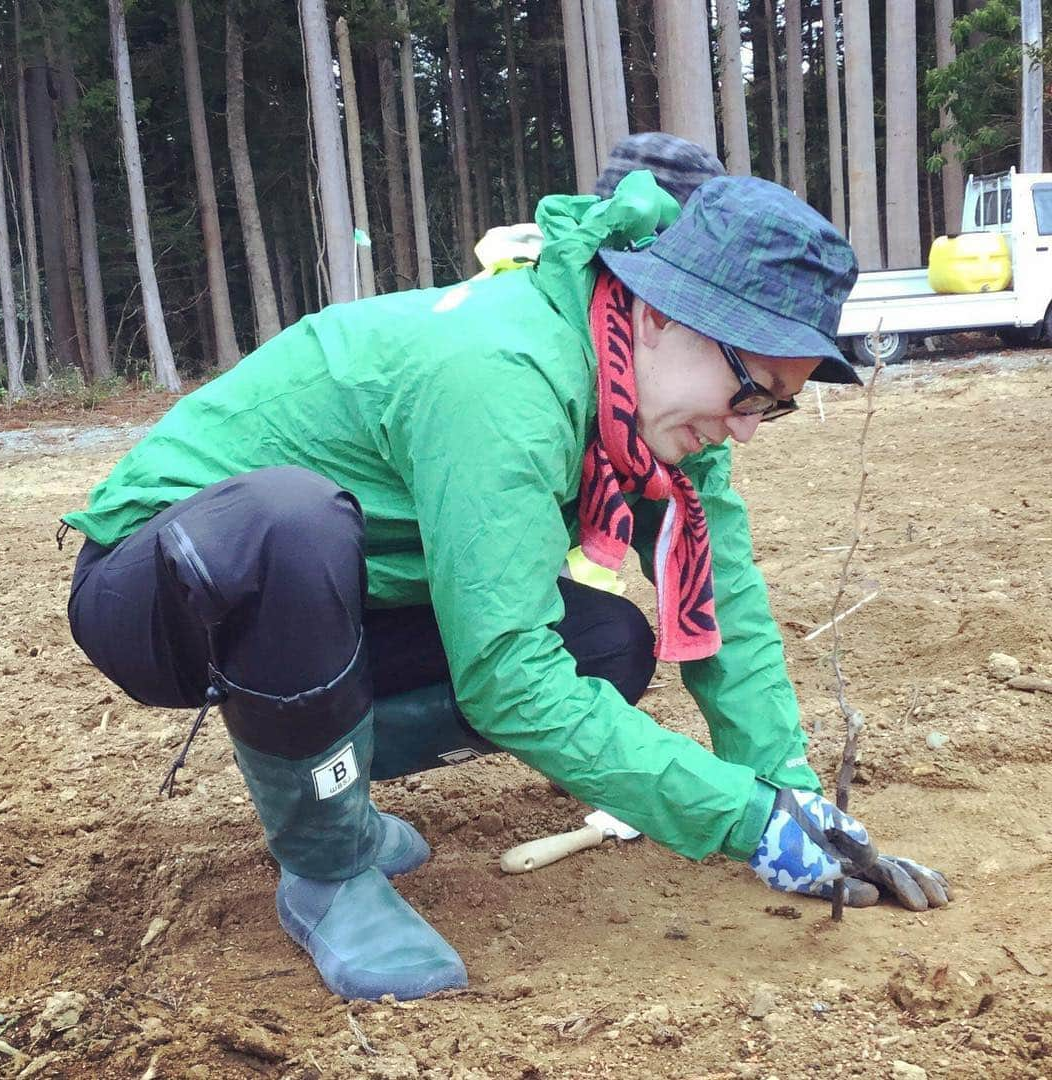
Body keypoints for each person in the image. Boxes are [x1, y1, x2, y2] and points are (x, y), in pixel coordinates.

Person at [62, 160, 951, 1004]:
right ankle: (327, 865)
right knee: (292, 525)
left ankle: (315, 771)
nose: (749, 429)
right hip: (168, 588)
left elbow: (724, 605)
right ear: (661, 314)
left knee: (606, 646)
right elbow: (507, 675)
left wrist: (788, 792)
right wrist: (740, 819)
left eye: (777, 405)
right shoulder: (506, 374)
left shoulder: (660, 412)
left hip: (347, 596)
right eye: (751, 389)